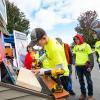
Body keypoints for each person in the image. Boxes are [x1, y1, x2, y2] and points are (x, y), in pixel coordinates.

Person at [31, 28, 69, 92]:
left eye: (37, 42)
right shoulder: (47, 42)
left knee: (62, 95)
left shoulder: (54, 48)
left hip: (62, 76)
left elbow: (60, 70)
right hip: (55, 72)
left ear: (44, 38)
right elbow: (47, 53)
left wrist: (41, 71)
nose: (36, 44)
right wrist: (39, 60)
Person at [73, 34, 94, 100]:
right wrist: (74, 62)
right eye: (75, 39)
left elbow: (91, 56)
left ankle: (90, 95)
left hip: (86, 66)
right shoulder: (75, 47)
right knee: (81, 81)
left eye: (77, 39)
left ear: (80, 38)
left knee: (89, 81)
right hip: (78, 67)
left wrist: (91, 66)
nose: (76, 41)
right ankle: (83, 94)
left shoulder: (86, 45)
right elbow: (74, 56)